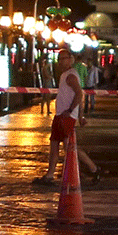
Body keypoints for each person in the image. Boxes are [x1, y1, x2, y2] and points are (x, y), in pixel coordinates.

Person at [38, 48, 99, 183]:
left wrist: (72, 111)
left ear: (70, 60)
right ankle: (49, 174)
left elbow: (79, 94)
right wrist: (80, 116)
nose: (60, 62)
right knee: (54, 144)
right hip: (61, 115)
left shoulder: (71, 75)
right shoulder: (65, 75)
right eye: (59, 59)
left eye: (63, 58)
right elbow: (78, 96)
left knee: (69, 147)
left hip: (66, 116)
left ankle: (92, 168)